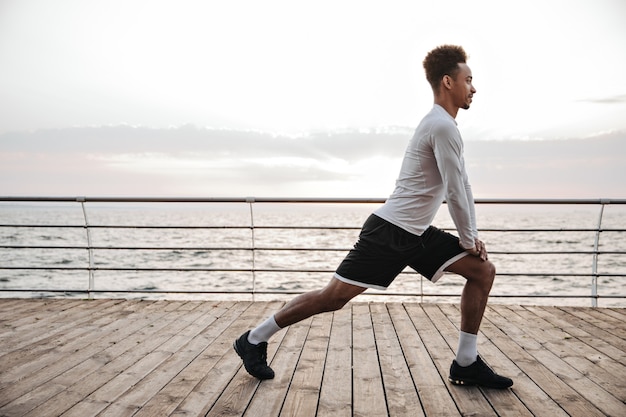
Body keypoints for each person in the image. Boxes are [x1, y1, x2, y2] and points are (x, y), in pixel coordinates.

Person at [234, 45, 513, 389]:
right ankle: (254, 339)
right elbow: (455, 191)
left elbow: (462, 186)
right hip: (391, 231)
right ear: (447, 82)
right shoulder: (441, 126)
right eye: (468, 80)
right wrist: (468, 239)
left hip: (417, 232)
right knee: (332, 298)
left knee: (482, 271)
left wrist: (470, 240)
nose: (474, 88)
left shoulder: (444, 126)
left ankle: (466, 362)